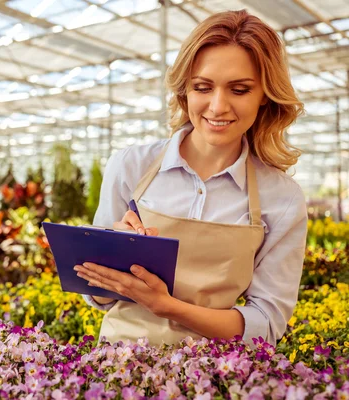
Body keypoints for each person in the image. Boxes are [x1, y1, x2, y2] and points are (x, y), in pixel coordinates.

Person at [75, 9, 307, 347]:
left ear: (265, 97)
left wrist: (166, 305)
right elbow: (95, 296)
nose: (217, 106)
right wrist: (113, 257)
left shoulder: (282, 198)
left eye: (239, 90)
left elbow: (267, 323)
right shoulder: (130, 166)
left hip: (214, 375)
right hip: (118, 371)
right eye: (202, 87)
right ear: (185, 91)